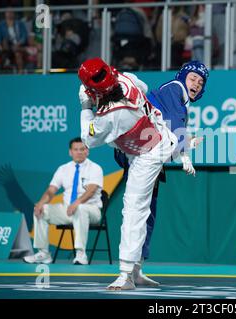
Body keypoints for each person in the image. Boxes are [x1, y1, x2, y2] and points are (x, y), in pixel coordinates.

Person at [78, 57, 195, 290]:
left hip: (148, 154)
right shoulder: (127, 79)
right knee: (143, 209)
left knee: (134, 209)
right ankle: (137, 270)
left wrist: (85, 107)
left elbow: (87, 139)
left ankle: (126, 275)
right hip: (152, 136)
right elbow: (142, 88)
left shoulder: (113, 115)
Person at [114, 60, 209, 286]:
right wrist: (184, 154)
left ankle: (136, 269)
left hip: (149, 154)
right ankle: (125, 272)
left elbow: (166, 133)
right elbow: (174, 125)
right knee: (136, 210)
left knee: (148, 212)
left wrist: (184, 147)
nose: (196, 83)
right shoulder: (175, 88)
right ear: (183, 76)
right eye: (193, 78)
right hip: (136, 151)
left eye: (200, 81)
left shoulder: (179, 97)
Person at [23, 137, 104, 265]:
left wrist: (76, 203)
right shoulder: (63, 169)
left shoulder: (95, 168)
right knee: (40, 210)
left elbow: (91, 191)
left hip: (91, 210)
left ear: (87, 151)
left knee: (80, 208)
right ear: (70, 152)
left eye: (82, 149)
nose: (79, 152)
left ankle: (80, 254)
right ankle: (43, 253)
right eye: (76, 149)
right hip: (67, 209)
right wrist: (40, 203)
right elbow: (51, 190)